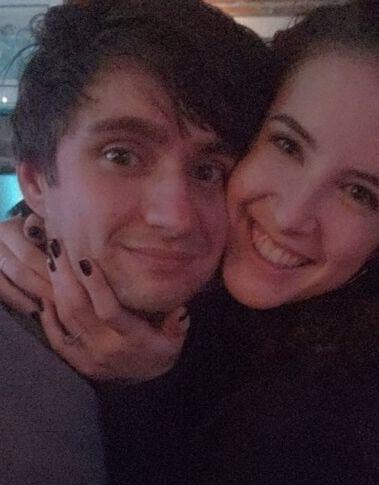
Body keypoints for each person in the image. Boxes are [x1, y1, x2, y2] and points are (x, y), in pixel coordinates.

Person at [0, 0, 379, 483]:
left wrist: (141, 389)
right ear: (34, 180)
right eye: (287, 144)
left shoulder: (336, 423)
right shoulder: (222, 313)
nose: (289, 217)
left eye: (359, 193)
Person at [0, 0, 275, 482]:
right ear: (37, 180)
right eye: (121, 156)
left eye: (209, 171)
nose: (175, 218)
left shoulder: (268, 352)